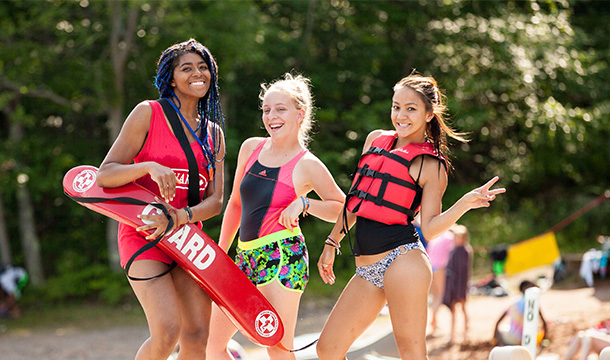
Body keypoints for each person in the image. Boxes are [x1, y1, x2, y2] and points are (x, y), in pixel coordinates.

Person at [316, 72, 506, 360]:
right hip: (367, 267)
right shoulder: (375, 140)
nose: (400, 115)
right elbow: (355, 201)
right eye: (396, 106)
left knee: (411, 351)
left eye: (411, 108)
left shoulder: (430, 164)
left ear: (429, 114)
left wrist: (464, 204)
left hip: (403, 260)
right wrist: (332, 243)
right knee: (328, 349)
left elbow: (429, 229)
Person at [96, 38, 226, 360]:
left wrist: (180, 217)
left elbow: (216, 202)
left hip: (186, 238)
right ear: (171, 78)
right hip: (142, 235)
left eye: (203, 67)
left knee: (197, 335)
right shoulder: (148, 113)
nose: (198, 73)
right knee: (167, 331)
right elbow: (105, 174)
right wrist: (149, 166)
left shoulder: (215, 134)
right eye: (187, 68)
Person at [206, 73, 345, 360]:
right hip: (244, 256)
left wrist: (305, 203)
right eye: (267, 110)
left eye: (280, 109)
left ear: (300, 114)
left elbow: (343, 208)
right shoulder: (250, 147)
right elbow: (235, 205)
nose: (272, 116)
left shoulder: (307, 164)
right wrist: (221, 253)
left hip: (283, 257)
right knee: (212, 343)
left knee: (277, 348)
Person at [492, 280, 547, 347]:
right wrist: (544, 339)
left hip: (513, 339)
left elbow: (498, 321)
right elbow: (544, 322)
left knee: (502, 329)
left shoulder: (514, 302)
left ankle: (501, 345)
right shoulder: (535, 304)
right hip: (530, 339)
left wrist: (494, 338)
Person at [442, 224, 473, 343]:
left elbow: (463, 272)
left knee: (463, 308)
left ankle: (466, 333)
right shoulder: (453, 250)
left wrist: (461, 289)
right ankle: (452, 334)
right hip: (453, 286)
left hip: (461, 285)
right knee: (453, 310)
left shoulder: (465, 251)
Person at [426, 228, 455, 335]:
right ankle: (433, 321)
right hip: (439, 267)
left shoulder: (436, 236)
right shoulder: (450, 237)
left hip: (430, 265)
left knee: (434, 296)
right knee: (440, 296)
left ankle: (434, 323)